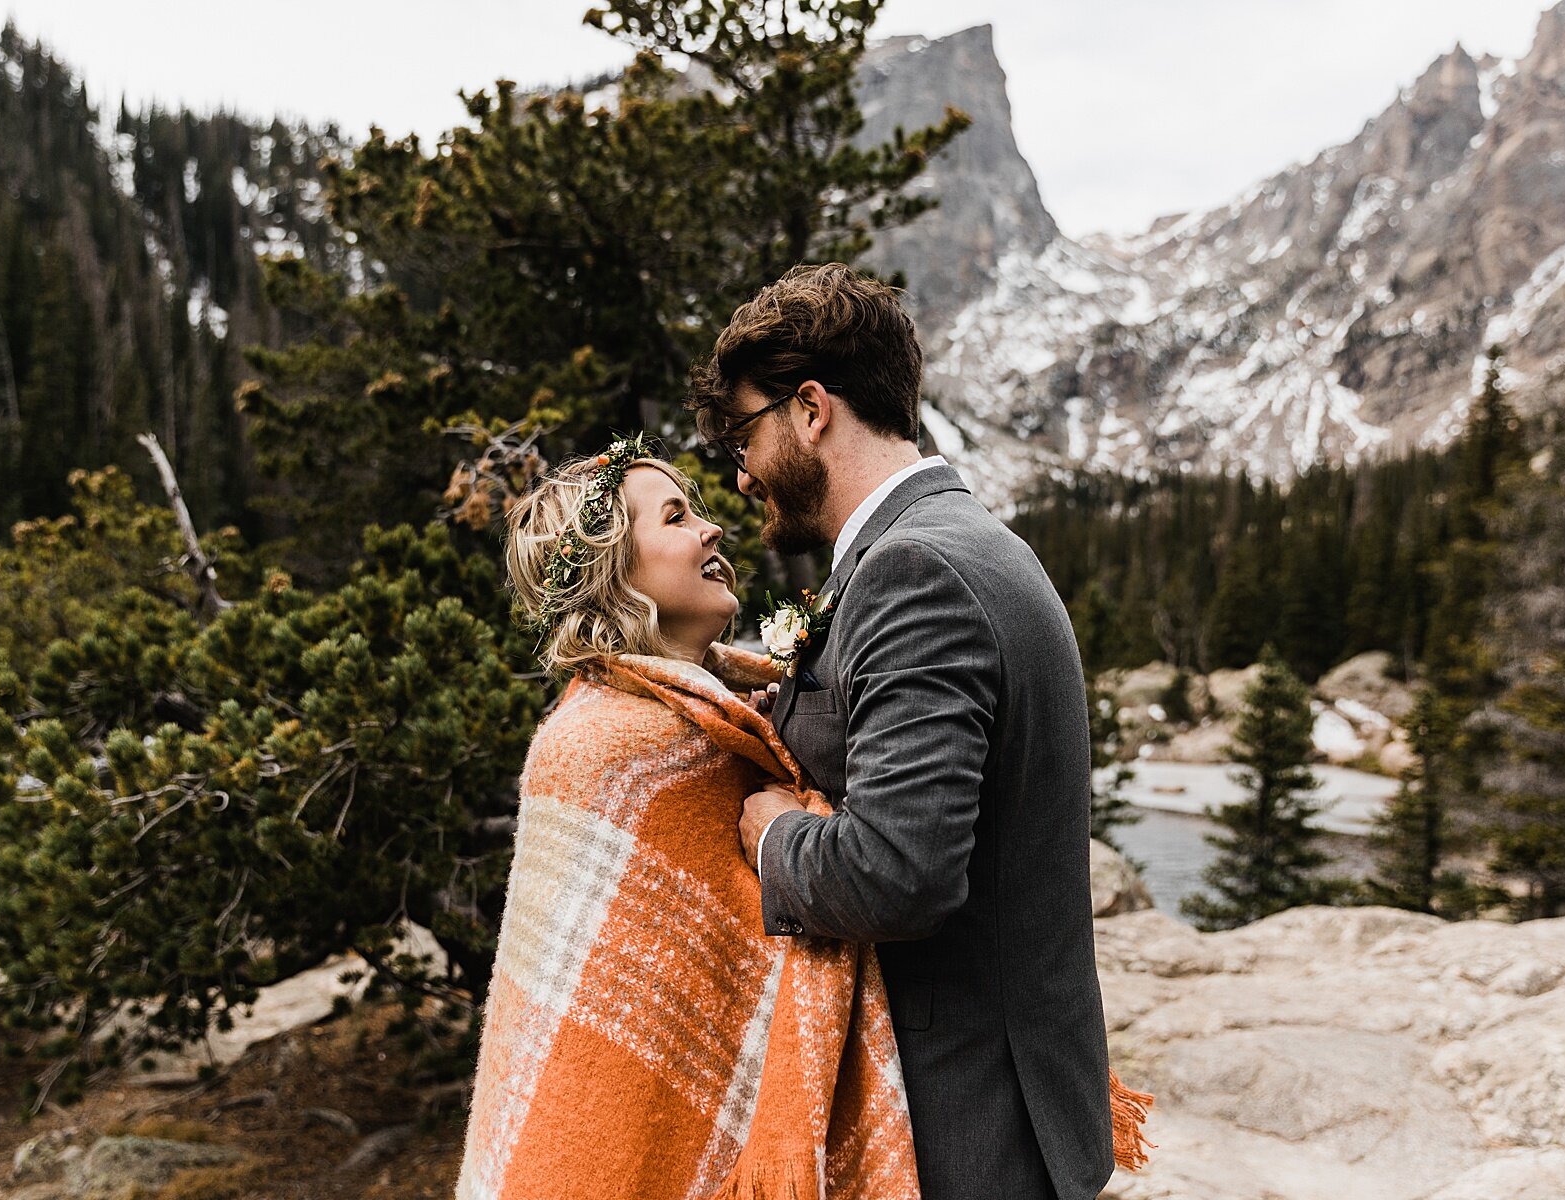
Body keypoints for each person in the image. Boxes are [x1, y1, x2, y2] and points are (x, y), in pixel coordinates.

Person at [690, 263, 1152, 1200]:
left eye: (744, 435)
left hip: (967, 1133)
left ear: (811, 408)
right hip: (998, 1117)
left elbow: (898, 872)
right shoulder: (951, 542)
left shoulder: (916, 574)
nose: (739, 473)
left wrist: (773, 833)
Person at [455, 438, 919, 1200]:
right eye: (676, 517)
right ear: (616, 570)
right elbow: (580, 1009)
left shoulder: (732, 718)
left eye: (698, 510)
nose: (712, 530)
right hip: (610, 1143)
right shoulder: (604, 743)